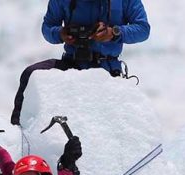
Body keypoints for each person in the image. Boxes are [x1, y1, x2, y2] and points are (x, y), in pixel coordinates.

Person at [11, 0, 151, 125]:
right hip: (71, 64)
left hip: (107, 70)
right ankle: (18, 136)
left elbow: (143, 29)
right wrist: (60, 33)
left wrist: (114, 33)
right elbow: (47, 27)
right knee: (31, 74)